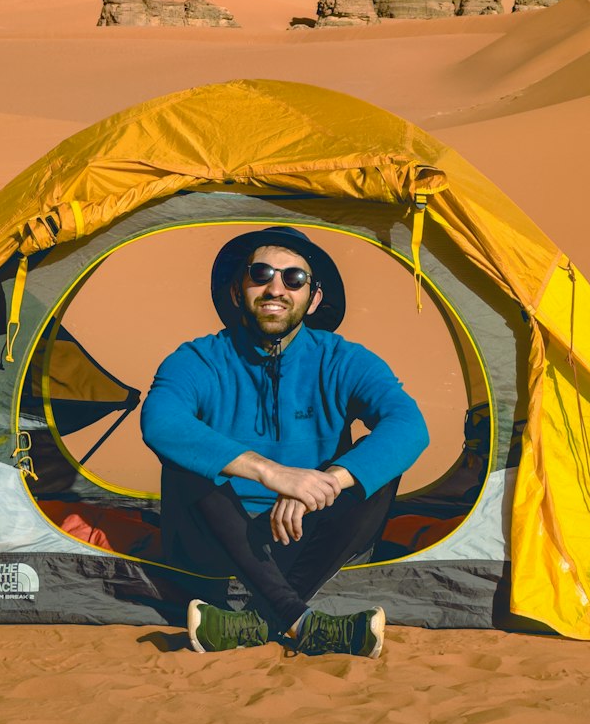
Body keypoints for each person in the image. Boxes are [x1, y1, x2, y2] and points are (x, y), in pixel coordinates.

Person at [140, 226, 428, 657]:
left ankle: (259, 620)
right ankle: (301, 620)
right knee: (186, 461)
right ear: (239, 291)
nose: (276, 287)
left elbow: (409, 424)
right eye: (261, 274)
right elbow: (160, 421)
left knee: (375, 467)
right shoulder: (198, 359)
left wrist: (326, 482)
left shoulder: (341, 359)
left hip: (305, 538)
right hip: (217, 539)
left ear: (313, 299)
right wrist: (274, 474)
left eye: (294, 279)